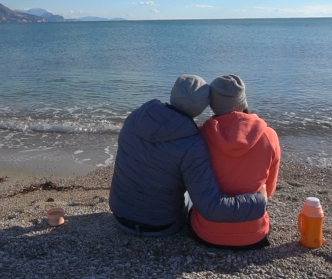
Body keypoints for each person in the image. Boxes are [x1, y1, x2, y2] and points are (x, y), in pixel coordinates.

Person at [109, 74, 268, 237]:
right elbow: (212, 208)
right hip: (160, 226)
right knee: (192, 194)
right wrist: (259, 202)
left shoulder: (135, 118)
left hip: (120, 217)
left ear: (172, 92)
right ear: (203, 107)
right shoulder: (193, 143)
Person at [189, 74, 281, 249]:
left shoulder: (200, 136)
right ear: (242, 101)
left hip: (206, 232)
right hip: (254, 234)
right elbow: (268, 191)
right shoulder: (269, 136)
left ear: (212, 103)